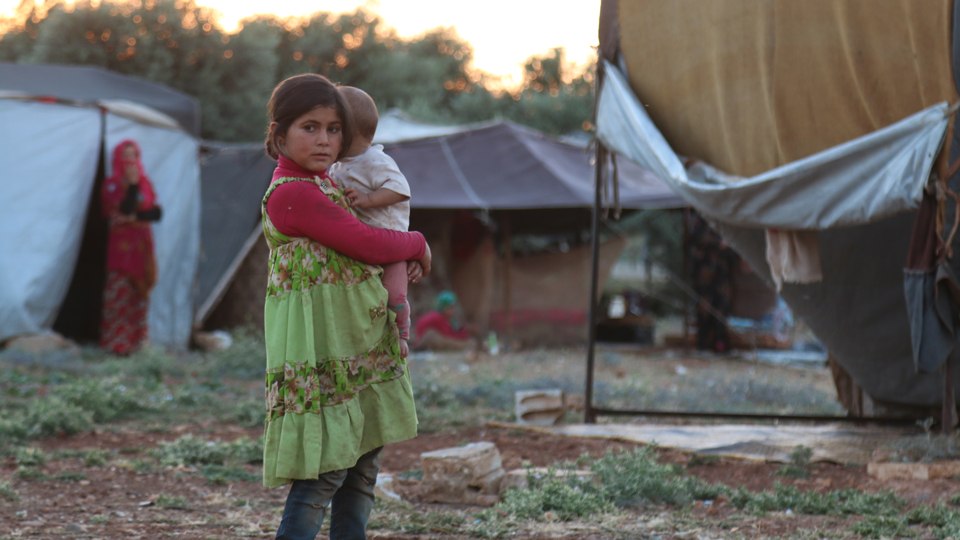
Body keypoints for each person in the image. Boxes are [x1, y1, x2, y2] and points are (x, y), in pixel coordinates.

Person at [260, 73, 432, 540]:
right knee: (325, 474)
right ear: (279, 135)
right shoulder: (293, 194)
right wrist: (416, 242)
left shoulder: (326, 184)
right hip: (323, 352)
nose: (324, 140)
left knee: (360, 473)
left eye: (334, 129)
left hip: (356, 341)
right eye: (309, 128)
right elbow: (363, 241)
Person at [329, 86, 414, 357]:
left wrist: (368, 199)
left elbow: (400, 189)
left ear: (347, 132)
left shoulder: (375, 160)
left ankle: (401, 334)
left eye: (334, 129)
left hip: (390, 242)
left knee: (395, 295)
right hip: (362, 244)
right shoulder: (338, 166)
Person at [99, 139, 162, 355]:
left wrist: (134, 215)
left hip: (141, 248)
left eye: (133, 155)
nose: (130, 160)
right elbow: (121, 208)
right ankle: (117, 345)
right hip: (121, 251)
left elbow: (156, 213)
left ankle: (137, 345)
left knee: (139, 297)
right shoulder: (112, 185)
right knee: (119, 297)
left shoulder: (145, 183)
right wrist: (133, 186)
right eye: (125, 155)